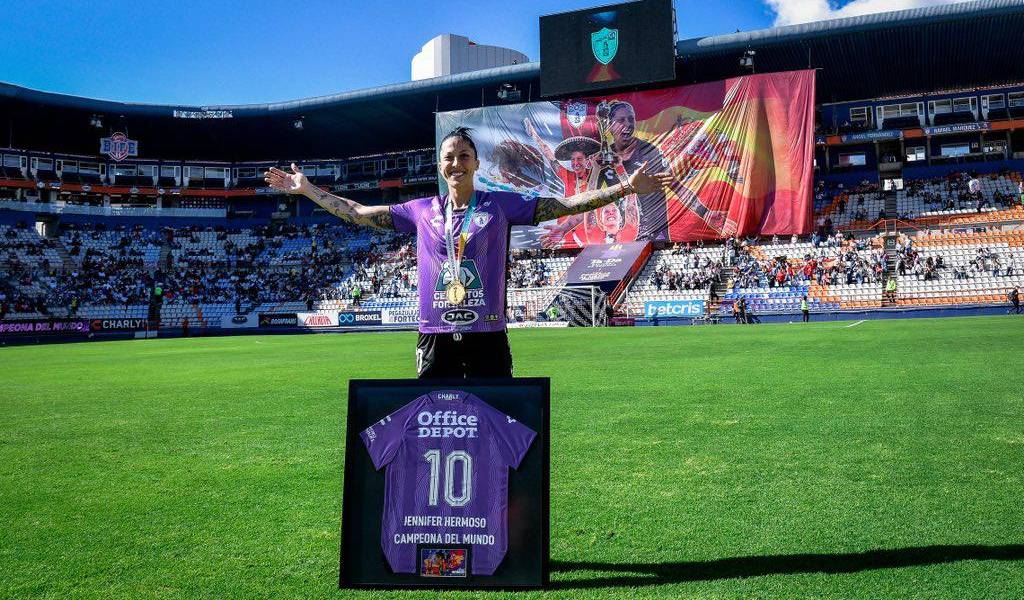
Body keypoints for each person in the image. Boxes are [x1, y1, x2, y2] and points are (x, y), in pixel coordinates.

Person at [264, 127, 671, 378]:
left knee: (494, 423)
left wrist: (625, 188)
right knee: (434, 426)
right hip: (435, 337)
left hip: (487, 337)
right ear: (440, 165)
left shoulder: (500, 205)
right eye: (449, 157)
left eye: (463, 156)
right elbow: (357, 212)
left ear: (476, 163)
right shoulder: (421, 210)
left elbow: (563, 205)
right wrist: (307, 190)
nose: (456, 163)